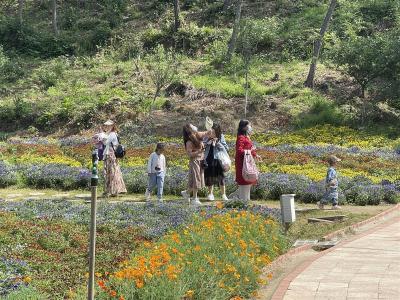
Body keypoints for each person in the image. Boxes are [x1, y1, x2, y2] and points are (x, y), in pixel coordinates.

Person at [181, 123, 213, 206]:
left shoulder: (198, 134)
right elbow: (190, 154)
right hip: (195, 161)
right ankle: (194, 198)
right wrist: (199, 151)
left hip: (201, 160)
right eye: (192, 126)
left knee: (198, 179)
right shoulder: (189, 141)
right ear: (189, 129)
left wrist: (209, 130)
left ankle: (186, 193)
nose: (194, 126)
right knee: (196, 179)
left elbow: (206, 133)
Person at [235, 120, 260, 201]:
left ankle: (246, 201)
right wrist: (249, 152)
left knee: (248, 183)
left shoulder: (247, 137)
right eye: (249, 125)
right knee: (244, 182)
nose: (250, 127)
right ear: (244, 127)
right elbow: (239, 150)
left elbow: (250, 149)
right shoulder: (241, 137)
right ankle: (243, 202)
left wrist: (255, 155)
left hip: (248, 162)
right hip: (242, 163)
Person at [204, 123, 229, 201]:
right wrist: (207, 143)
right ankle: (210, 194)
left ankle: (223, 194)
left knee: (221, 176)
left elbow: (226, 148)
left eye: (214, 132)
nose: (212, 134)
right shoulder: (206, 136)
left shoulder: (221, 136)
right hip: (208, 158)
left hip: (219, 159)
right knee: (209, 176)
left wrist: (218, 143)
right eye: (211, 132)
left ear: (217, 132)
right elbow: (202, 145)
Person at [103, 120, 127, 197]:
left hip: (111, 155)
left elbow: (105, 142)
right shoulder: (111, 134)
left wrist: (102, 136)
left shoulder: (112, 134)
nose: (107, 127)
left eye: (108, 125)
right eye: (106, 125)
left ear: (112, 126)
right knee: (111, 172)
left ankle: (113, 190)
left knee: (112, 172)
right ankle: (110, 190)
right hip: (110, 155)